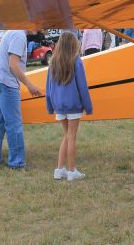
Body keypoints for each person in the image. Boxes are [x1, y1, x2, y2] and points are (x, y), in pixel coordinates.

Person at [0, 30, 43, 169]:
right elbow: (13, 64)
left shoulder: (10, 32)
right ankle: (16, 163)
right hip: (7, 84)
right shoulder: (19, 36)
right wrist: (30, 85)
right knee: (14, 125)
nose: (39, 28)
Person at [46, 32, 93, 181]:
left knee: (66, 136)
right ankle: (72, 171)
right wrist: (88, 107)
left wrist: (49, 107)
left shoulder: (53, 62)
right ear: (73, 44)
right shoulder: (76, 61)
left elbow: (48, 88)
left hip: (59, 106)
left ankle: (59, 170)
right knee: (71, 136)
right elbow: (83, 87)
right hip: (73, 106)